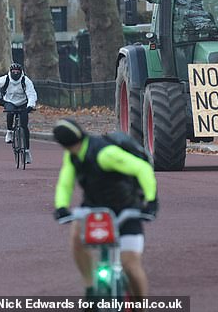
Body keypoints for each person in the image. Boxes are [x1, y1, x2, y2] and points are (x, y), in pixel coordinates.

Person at [52, 119, 159, 300]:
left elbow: (142, 168)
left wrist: (151, 201)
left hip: (125, 208)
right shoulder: (72, 156)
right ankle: (90, 287)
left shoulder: (105, 154)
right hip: (95, 208)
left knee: (130, 264)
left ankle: (141, 306)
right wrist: (61, 207)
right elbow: (65, 183)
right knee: (76, 233)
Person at [0, 62, 37, 164]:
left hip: (23, 103)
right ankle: (9, 132)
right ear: (10, 72)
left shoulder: (26, 80)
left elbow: (31, 93)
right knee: (10, 111)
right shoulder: (5, 79)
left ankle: (26, 152)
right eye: (13, 71)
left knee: (24, 126)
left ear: (21, 72)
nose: (15, 73)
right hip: (9, 101)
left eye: (17, 72)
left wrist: (31, 106)